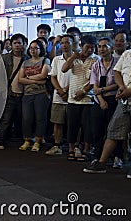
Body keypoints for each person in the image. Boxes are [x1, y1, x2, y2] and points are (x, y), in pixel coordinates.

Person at [83, 48, 131, 179]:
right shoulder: (127, 54)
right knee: (113, 130)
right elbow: (117, 71)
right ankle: (101, 163)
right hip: (124, 99)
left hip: (125, 95)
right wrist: (121, 87)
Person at [18, 40, 50, 152]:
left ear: (40, 49)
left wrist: (29, 78)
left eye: (36, 48)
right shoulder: (25, 62)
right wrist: (36, 81)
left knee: (40, 118)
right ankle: (27, 140)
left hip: (41, 93)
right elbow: (20, 79)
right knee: (26, 118)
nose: (33, 50)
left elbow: (44, 75)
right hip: (28, 94)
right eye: (31, 48)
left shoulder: (45, 60)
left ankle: (38, 140)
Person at [45, 35, 73, 155]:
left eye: (67, 43)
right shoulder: (56, 59)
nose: (64, 45)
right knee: (57, 122)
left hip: (73, 96)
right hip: (58, 96)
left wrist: (67, 89)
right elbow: (53, 77)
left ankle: (74, 147)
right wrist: (60, 91)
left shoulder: (77, 59)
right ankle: (57, 145)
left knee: (74, 123)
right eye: (62, 43)